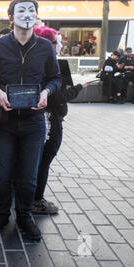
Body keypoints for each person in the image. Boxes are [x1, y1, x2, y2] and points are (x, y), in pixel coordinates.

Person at [0, 0, 61, 241]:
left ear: (36, 16)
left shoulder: (45, 47)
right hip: (5, 122)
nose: (27, 15)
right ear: (11, 17)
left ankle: (25, 216)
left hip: (34, 123)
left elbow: (56, 78)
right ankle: (1, 214)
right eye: (21, 11)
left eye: (31, 11)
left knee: (28, 177)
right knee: (2, 175)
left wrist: (47, 92)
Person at [32, 25, 87, 214]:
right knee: (42, 162)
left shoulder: (37, 64)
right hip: (49, 121)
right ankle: (36, 200)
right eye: (57, 42)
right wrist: (78, 88)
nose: (60, 45)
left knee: (36, 162)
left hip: (44, 119)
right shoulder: (50, 67)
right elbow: (58, 97)